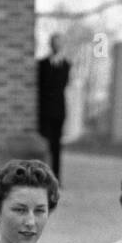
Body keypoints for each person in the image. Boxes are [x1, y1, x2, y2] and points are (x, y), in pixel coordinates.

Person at [37, 32, 71, 180]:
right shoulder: (42, 64)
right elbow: (43, 85)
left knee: (56, 146)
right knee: (45, 143)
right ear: (50, 45)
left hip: (58, 110)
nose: (57, 45)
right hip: (45, 110)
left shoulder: (66, 65)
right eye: (54, 42)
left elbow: (61, 85)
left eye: (59, 42)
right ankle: (42, 175)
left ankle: (56, 176)